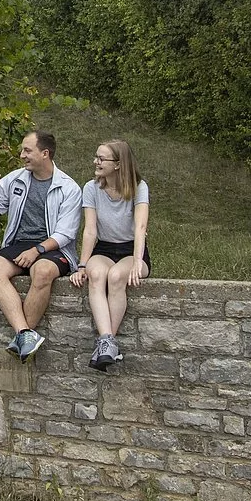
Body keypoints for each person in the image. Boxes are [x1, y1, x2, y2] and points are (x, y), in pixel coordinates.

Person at [0, 131, 83, 360]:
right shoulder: (16, 179)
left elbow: (65, 234)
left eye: (27, 150)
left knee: (42, 271)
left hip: (54, 248)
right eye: (22, 150)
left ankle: (23, 336)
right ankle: (25, 334)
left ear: (45, 153)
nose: (21, 155)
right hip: (19, 243)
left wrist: (37, 251)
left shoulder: (69, 188)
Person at [69, 139, 151, 370]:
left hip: (131, 249)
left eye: (101, 158)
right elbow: (90, 229)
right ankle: (107, 343)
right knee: (96, 276)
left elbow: (140, 227)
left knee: (116, 277)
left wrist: (136, 262)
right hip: (104, 248)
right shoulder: (91, 187)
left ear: (118, 164)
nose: (96, 162)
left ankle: (105, 346)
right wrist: (82, 265)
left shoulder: (138, 187)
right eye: (96, 157)